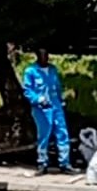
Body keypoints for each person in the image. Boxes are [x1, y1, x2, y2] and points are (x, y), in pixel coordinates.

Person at [22, 48, 74, 176]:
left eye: (46, 55)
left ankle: (65, 163)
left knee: (62, 133)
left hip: (56, 105)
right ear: (37, 56)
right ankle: (42, 163)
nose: (45, 58)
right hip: (42, 108)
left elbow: (57, 86)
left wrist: (61, 100)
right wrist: (37, 99)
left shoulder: (52, 69)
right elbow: (27, 90)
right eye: (42, 55)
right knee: (44, 135)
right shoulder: (31, 71)